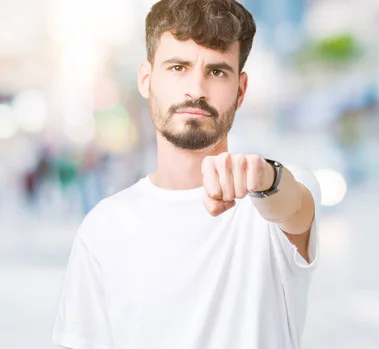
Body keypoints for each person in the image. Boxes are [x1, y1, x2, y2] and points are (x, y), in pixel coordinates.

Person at [51, 1, 321, 348]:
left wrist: (266, 181)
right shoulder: (102, 228)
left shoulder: (276, 191)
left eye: (217, 71)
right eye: (178, 67)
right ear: (146, 79)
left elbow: (292, 207)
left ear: (240, 90)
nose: (196, 89)